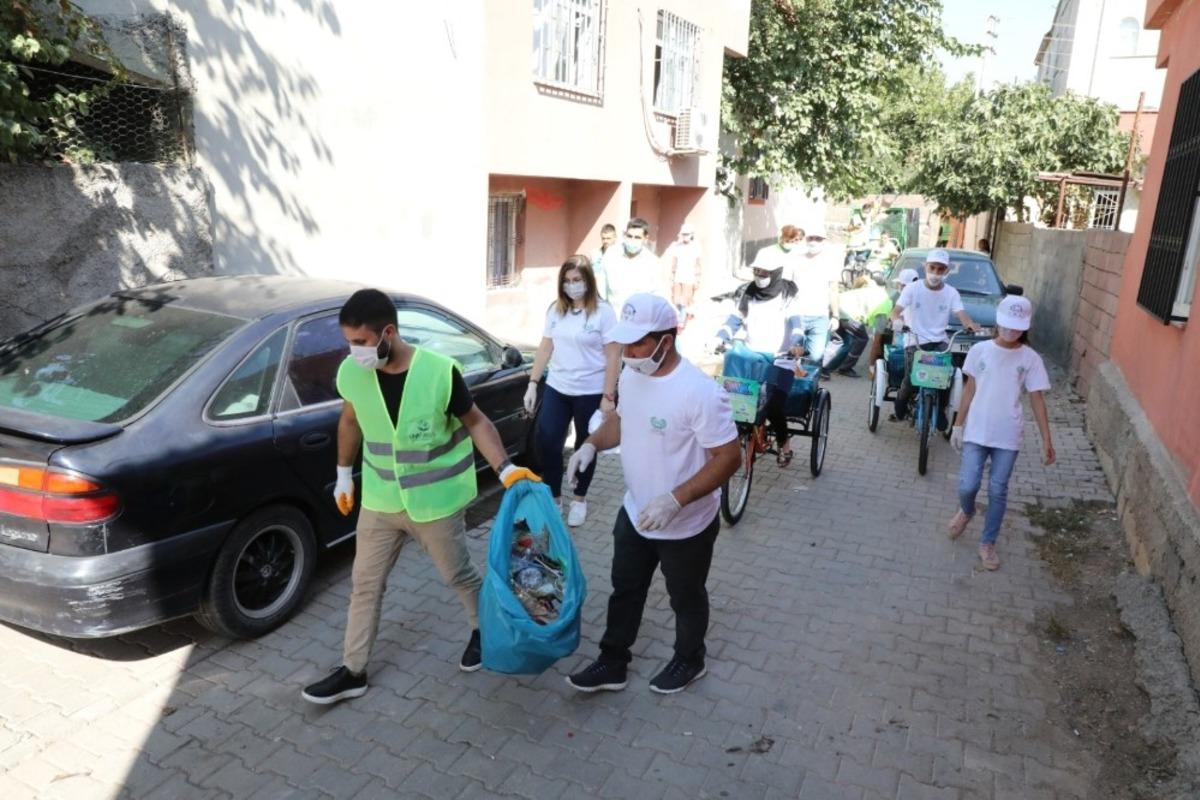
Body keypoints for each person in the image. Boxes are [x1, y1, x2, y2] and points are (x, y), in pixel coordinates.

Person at [302, 289, 541, 705]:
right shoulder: (352, 372)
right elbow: (351, 420)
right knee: (365, 585)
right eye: (349, 342)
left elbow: (476, 422)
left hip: (435, 501)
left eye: (360, 341)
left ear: (388, 333)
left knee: (458, 575)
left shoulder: (438, 372)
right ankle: (353, 671)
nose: (353, 351)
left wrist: (505, 469)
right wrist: (343, 475)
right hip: (380, 500)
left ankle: (483, 630)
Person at [564, 294, 741, 695]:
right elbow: (622, 422)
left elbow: (730, 457)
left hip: (686, 523)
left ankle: (690, 659)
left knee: (686, 596)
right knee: (625, 590)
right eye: (625, 343)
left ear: (667, 340)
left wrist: (676, 499)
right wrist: (590, 444)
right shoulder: (632, 375)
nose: (628, 353)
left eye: (638, 343)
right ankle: (613, 661)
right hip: (636, 511)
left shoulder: (700, 392)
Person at [947, 295, 1055, 570]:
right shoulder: (979, 350)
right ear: (998, 322)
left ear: (1025, 327)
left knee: (997, 490)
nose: (1010, 331)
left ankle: (988, 542)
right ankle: (967, 510)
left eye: (1016, 327)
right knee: (968, 485)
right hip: (977, 430)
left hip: (1008, 435)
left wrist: (1047, 439)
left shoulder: (1030, 359)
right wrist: (958, 424)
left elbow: (1037, 399)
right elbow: (970, 388)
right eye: (1006, 325)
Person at [525, 256, 620, 527]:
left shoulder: (603, 312)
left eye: (577, 280)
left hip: (591, 390)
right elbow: (546, 346)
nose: (572, 285)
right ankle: (554, 498)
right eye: (566, 281)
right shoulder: (556, 310)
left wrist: (608, 396)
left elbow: (614, 355)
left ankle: (579, 498)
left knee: (586, 444)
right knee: (548, 442)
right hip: (558, 387)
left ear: (588, 280)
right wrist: (533, 383)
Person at [712, 248, 805, 465]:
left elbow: (797, 324)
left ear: (776, 272)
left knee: (773, 405)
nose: (759, 275)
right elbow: (734, 320)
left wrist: (796, 343)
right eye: (757, 271)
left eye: (765, 272)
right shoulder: (747, 291)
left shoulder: (788, 294)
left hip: (781, 359)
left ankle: (783, 443)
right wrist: (720, 337)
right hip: (751, 357)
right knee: (733, 399)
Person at [889, 249, 981, 429]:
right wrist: (897, 321)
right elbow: (896, 311)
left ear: (946, 271)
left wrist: (969, 324)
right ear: (925, 267)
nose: (936, 273)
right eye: (932, 268)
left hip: (940, 341)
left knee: (945, 378)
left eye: (940, 269)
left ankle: (940, 412)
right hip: (915, 339)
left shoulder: (951, 293)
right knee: (911, 378)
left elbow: (960, 313)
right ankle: (900, 404)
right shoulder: (912, 289)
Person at [789, 222, 842, 378]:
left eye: (818, 239)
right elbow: (786, 287)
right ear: (806, 240)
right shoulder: (796, 259)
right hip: (796, 315)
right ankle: (791, 386)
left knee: (815, 357)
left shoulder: (830, 262)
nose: (813, 241)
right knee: (791, 355)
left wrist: (836, 316)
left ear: (823, 241)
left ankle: (808, 386)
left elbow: (834, 290)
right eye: (811, 238)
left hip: (819, 317)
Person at [824, 275, 887, 378]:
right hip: (848, 314)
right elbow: (877, 340)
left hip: (836, 309)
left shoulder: (873, 290)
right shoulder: (885, 303)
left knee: (844, 342)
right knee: (862, 339)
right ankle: (845, 368)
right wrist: (872, 366)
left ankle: (826, 368)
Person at [866, 268, 920, 379]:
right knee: (878, 342)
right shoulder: (894, 299)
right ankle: (872, 369)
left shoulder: (917, 297)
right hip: (888, 323)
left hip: (911, 338)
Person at [597, 218, 664, 306]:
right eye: (629, 236)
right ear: (625, 235)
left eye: (637, 237)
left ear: (645, 238)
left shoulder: (652, 263)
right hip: (613, 312)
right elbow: (602, 287)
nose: (632, 240)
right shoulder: (611, 255)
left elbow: (658, 294)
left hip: (640, 313)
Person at [665, 223, 703, 322]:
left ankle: (682, 320)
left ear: (691, 234)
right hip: (678, 276)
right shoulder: (678, 247)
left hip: (689, 277)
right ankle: (676, 319)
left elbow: (698, 264)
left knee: (686, 301)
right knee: (676, 299)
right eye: (684, 234)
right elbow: (674, 263)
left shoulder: (696, 247)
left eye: (687, 234)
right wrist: (672, 277)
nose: (685, 236)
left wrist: (697, 280)